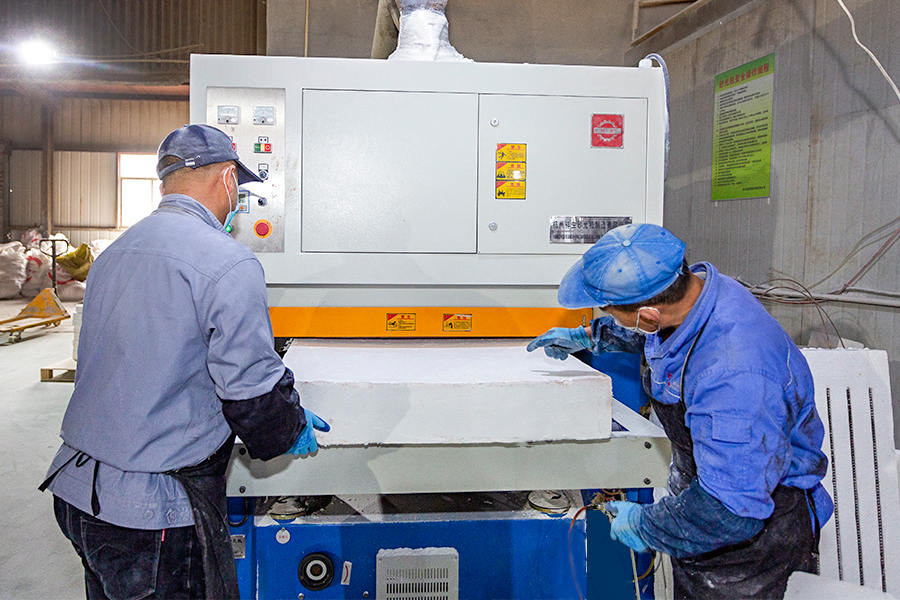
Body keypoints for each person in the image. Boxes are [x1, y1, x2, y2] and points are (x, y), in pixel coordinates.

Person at [40, 124, 329, 600]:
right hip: (150, 513)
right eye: (239, 189)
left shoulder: (116, 252)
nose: (236, 203)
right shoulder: (228, 262)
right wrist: (289, 423)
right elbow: (251, 396)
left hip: (78, 492)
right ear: (228, 178)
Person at [527, 223, 833, 599]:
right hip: (708, 505)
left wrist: (645, 525)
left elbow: (732, 510)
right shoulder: (700, 295)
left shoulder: (734, 376)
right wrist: (593, 336)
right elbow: (662, 334)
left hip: (753, 551)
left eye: (610, 311)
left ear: (648, 314)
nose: (608, 316)